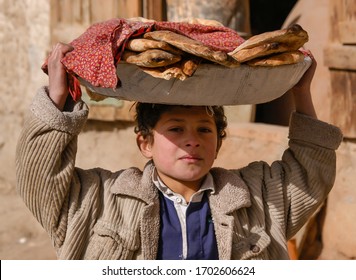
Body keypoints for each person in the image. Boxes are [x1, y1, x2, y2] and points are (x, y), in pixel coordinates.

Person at [16, 43, 343, 260]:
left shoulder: (255, 196)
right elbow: (39, 178)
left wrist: (301, 90)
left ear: (218, 142)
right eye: (175, 129)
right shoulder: (99, 200)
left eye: (204, 129)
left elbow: (309, 171)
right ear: (145, 142)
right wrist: (56, 99)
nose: (193, 140)